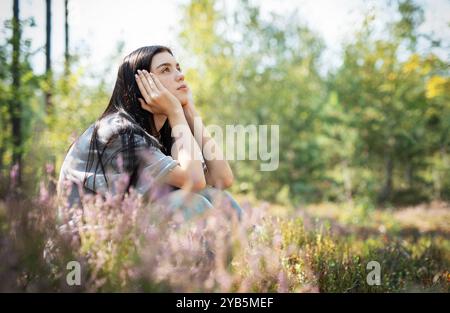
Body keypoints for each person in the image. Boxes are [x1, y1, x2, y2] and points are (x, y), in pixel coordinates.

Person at [57, 45, 243, 220]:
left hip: (127, 228)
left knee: (221, 200)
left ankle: (242, 251)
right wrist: (176, 112)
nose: (180, 75)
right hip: (89, 243)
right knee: (194, 202)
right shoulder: (118, 132)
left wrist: (191, 113)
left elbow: (222, 179)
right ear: (141, 85)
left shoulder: (163, 134)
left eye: (178, 68)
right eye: (165, 70)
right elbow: (194, 181)